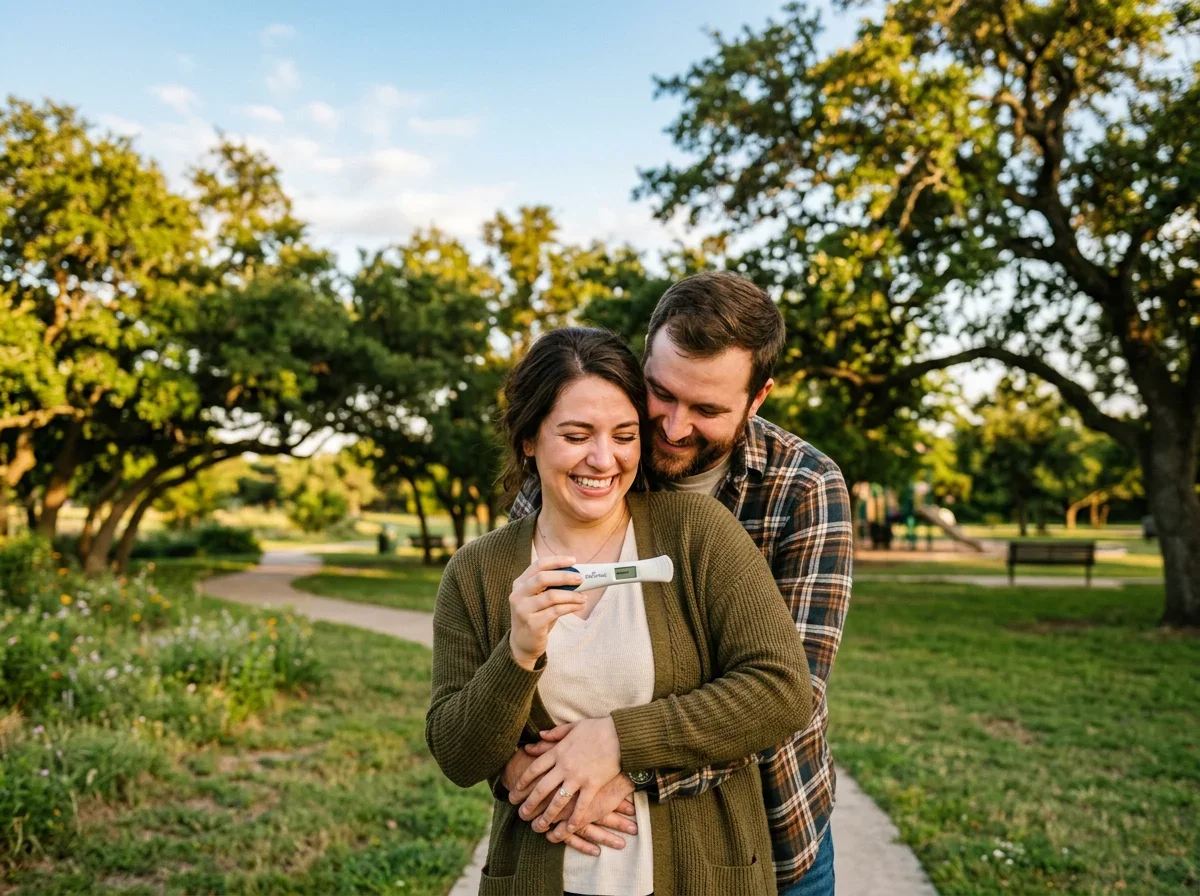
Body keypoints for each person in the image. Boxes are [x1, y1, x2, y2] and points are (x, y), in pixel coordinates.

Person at [426, 327, 814, 895]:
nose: (603, 459)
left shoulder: (697, 534)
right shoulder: (476, 571)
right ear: (530, 438)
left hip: (700, 876)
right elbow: (458, 754)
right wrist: (517, 654)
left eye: (624, 435)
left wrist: (618, 742)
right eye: (577, 434)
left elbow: (781, 690)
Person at [504, 272, 853, 896]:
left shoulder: (806, 489)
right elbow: (516, 655)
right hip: (590, 839)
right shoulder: (581, 468)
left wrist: (621, 753)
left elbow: (783, 696)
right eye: (660, 392)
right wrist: (523, 769)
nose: (670, 425)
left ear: (758, 396)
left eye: (708, 409)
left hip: (772, 839)